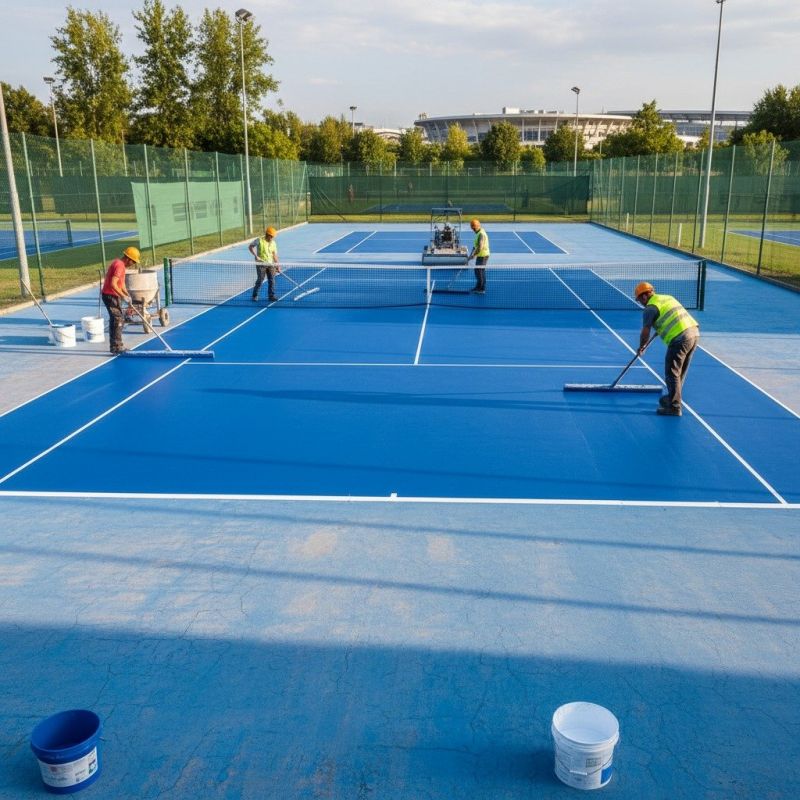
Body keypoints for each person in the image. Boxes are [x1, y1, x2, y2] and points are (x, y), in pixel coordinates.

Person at [634, 281, 700, 417]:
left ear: (645, 296)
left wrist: (641, 347)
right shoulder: (667, 298)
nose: (640, 302)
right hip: (694, 333)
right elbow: (670, 317)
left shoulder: (650, 308)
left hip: (680, 338)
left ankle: (675, 408)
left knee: (671, 373)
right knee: (680, 372)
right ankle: (672, 399)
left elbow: (645, 331)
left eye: (639, 299)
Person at [101, 246, 138, 355]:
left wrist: (127, 295)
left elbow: (120, 284)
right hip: (110, 295)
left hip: (113, 295)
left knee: (116, 319)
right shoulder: (119, 266)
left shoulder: (119, 264)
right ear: (128, 258)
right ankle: (116, 347)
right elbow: (113, 284)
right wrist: (123, 297)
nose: (134, 264)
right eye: (133, 261)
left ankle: (115, 346)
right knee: (117, 319)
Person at [248, 226, 280, 302]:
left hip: (270, 264)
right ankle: (255, 295)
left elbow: (274, 255)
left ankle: (271, 296)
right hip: (261, 264)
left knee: (272, 280)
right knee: (260, 280)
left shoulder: (273, 243)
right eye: (271, 236)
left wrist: (277, 265)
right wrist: (256, 256)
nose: (272, 238)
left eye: (273, 237)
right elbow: (250, 247)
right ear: (268, 235)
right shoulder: (259, 240)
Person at [467, 218, 490, 293]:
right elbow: (475, 246)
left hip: (483, 255)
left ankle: (481, 289)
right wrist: (470, 255)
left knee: (480, 271)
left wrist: (474, 255)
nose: (472, 230)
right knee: (478, 270)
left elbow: (480, 247)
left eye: (473, 228)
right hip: (480, 255)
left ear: (477, 226)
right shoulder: (478, 233)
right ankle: (478, 287)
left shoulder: (481, 234)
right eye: (472, 228)